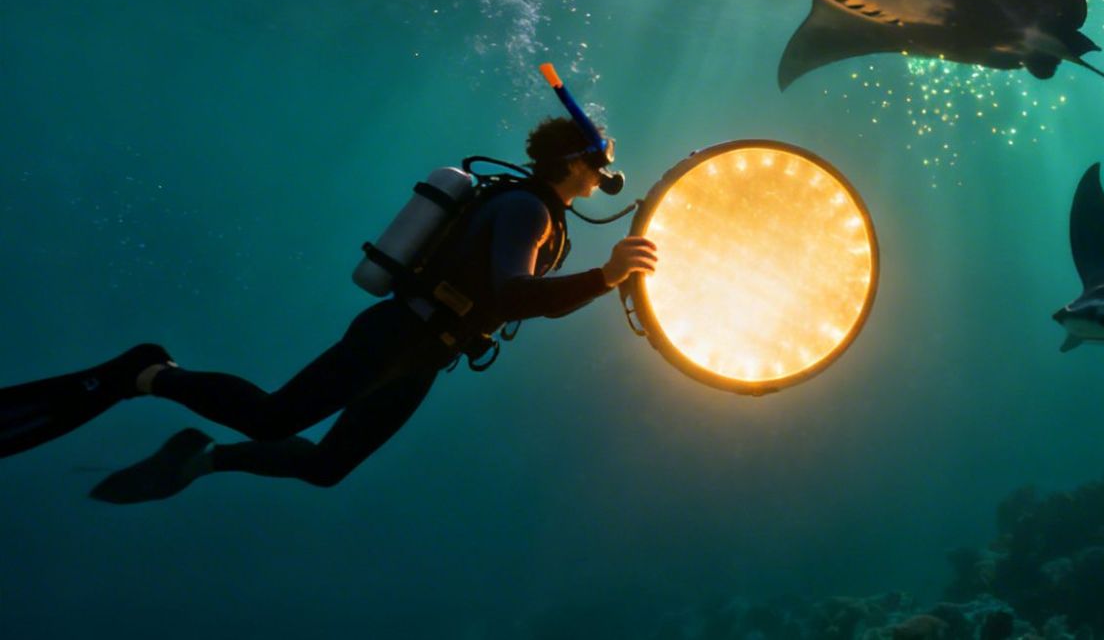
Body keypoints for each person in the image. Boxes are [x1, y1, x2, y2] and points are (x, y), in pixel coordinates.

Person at [0, 116, 656, 503]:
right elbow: (513, 294)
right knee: (272, 418)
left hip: (425, 353)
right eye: (601, 159)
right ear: (579, 161)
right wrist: (604, 277)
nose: (607, 171)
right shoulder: (527, 209)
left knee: (326, 467)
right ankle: (147, 372)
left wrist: (600, 278)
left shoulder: (537, 210)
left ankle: (203, 458)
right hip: (399, 335)